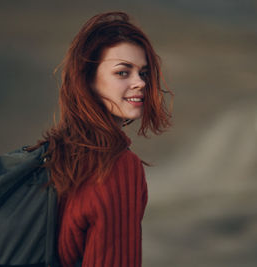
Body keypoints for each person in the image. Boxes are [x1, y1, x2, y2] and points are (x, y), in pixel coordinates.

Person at [31, 11, 172, 267]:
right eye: (122, 72)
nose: (140, 83)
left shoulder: (56, 152)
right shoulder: (117, 166)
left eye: (143, 73)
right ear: (88, 80)